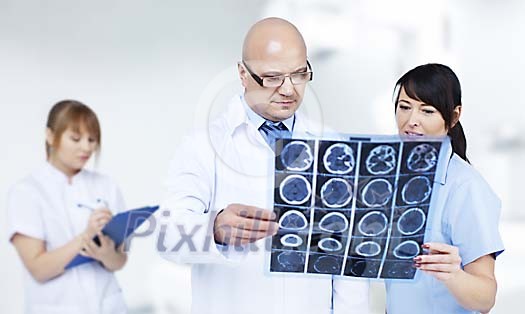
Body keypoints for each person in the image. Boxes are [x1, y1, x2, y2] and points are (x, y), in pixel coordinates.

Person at [158, 17, 369, 314]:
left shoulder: (332, 146)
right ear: (243, 74)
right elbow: (167, 235)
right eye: (272, 78)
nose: (289, 90)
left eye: (299, 74)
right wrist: (214, 228)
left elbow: (349, 258)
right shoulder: (204, 146)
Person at [385, 63, 504, 314]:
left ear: (453, 116)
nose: (411, 121)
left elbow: (486, 298)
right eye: (404, 107)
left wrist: (452, 274)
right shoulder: (391, 175)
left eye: (427, 111)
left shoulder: (466, 188)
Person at [7, 100, 128, 313]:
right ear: (50, 136)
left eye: (92, 140)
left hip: (108, 305)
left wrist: (106, 254)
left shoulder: (106, 186)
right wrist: (87, 236)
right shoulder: (26, 192)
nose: (87, 147)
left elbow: (119, 261)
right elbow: (39, 269)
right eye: (76, 138)